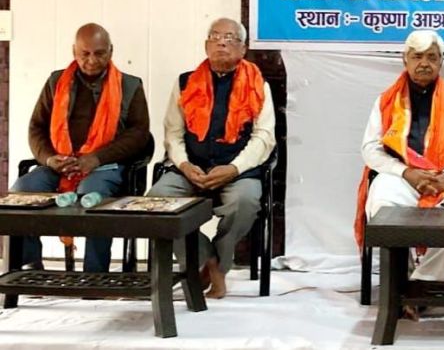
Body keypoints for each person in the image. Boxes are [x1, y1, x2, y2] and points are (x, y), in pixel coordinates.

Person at [147, 18, 275, 298]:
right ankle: (207, 260)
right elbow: (173, 133)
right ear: (206, 45)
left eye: (230, 38)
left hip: (237, 171)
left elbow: (264, 138)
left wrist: (234, 168)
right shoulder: (185, 83)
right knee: (156, 202)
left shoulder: (258, 85)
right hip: (190, 169)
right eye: (215, 37)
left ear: (243, 49)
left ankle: (218, 264)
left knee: (245, 201)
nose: (221, 43)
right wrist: (184, 165)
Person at [12, 23, 149, 272]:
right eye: (85, 54)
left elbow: (139, 133)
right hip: (59, 164)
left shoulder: (130, 85)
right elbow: (36, 127)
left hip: (104, 166)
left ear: (111, 51)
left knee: (91, 194)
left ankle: (95, 274)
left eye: (99, 53)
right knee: (22, 191)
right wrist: (49, 159)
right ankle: (30, 268)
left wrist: (96, 158)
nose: (92, 60)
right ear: (74, 51)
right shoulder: (56, 81)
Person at [355, 30, 444, 286]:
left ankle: (423, 284)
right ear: (405, 60)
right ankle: (401, 279)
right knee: (382, 204)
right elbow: (370, 149)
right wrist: (406, 173)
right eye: (417, 57)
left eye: (432, 57)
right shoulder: (386, 101)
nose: (424, 63)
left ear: (441, 62)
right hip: (402, 178)